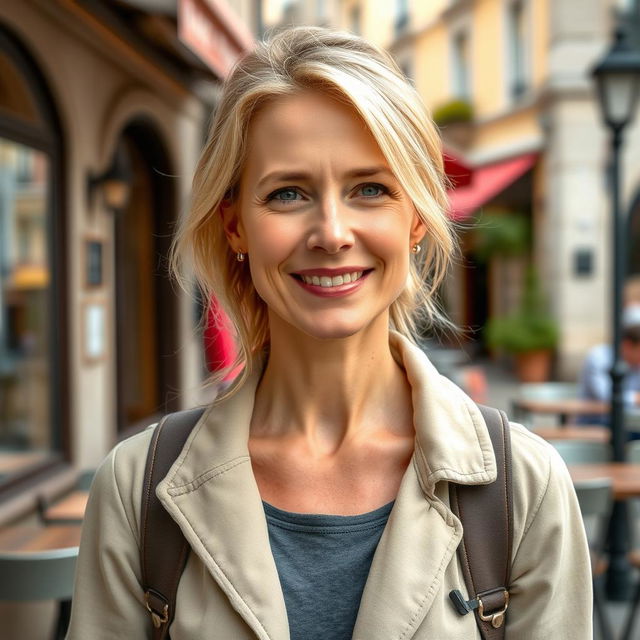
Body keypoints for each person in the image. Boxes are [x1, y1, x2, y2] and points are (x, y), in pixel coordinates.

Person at [66, 27, 592, 639]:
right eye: (288, 193)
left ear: (416, 217)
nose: (332, 232)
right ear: (235, 226)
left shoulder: (521, 489)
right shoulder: (137, 490)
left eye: (370, 189)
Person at [578, 304, 640, 424]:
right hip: (596, 423)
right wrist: (635, 399)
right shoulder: (598, 357)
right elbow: (604, 396)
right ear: (627, 345)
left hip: (630, 423)